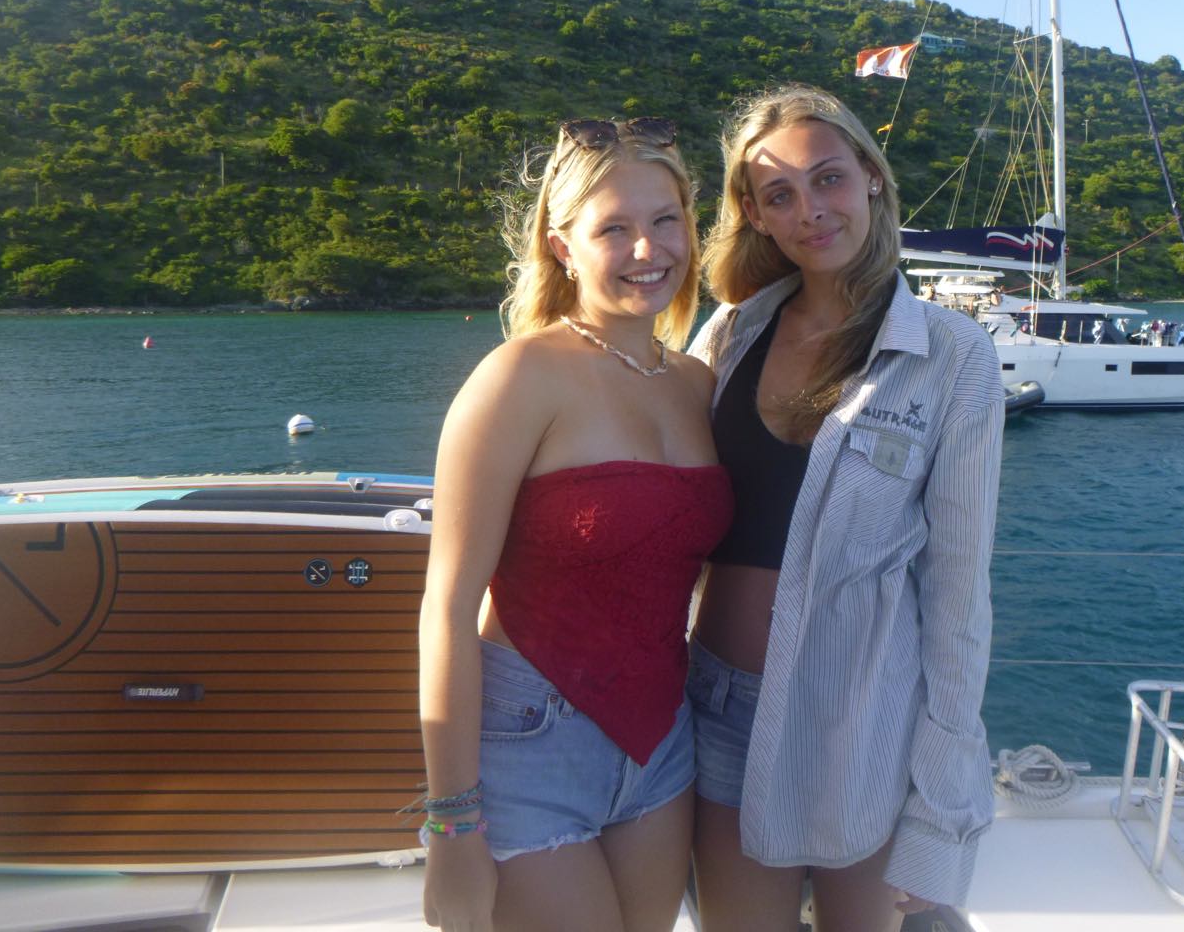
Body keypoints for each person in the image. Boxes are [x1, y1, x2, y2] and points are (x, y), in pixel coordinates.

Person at [687, 85, 1002, 932]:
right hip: (717, 705)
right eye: (779, 194)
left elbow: (958, 593)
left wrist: (943, 800)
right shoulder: (729, 336)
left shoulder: (951, 355)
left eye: (827, 178)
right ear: (755, 215)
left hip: (862, 714)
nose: (810, 211)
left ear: (870, 175)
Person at [419, 117, 733, 932]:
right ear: (563, 246)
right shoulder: (518, 379)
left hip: (662, 741)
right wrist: (452, 825)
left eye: (665, 220)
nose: (647, 250)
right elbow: (446, 608)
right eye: (613, 229)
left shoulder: (697, 385)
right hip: (528, 739)